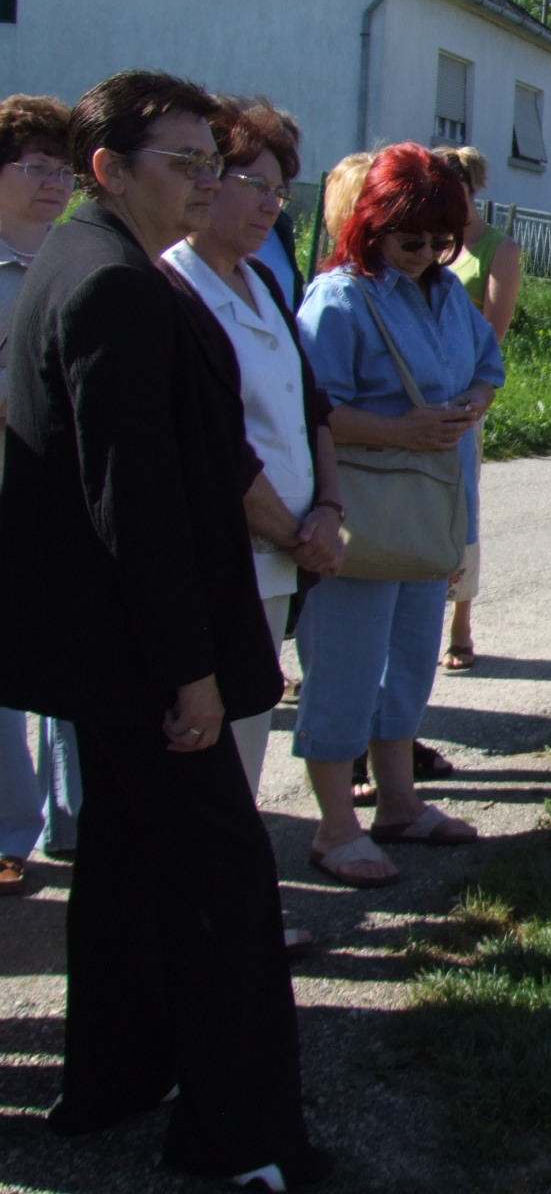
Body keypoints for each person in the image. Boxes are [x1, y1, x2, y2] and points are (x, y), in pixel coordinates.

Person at [0, 70, 328, 1187]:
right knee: (224, 885)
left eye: (211, 161)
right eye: (184, 162)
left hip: (115, 649)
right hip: (142, 655)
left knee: (128, 867)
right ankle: (243, 1142)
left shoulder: (90, 260)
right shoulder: (111, 286)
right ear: (109, 168)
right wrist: (189, 673)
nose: (204, 180)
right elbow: (132, 507)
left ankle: (114, 1079)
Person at [293, 144, 504, 888]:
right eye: (410, 241)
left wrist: (472, 403)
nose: (426, 256)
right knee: (344, 666)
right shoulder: (339, 299)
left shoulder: (444, 293)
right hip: (360, 511)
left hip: (430, 508)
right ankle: (334, 827)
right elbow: (310, 409)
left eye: (442, 242)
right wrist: (399, 430)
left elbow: (488, 366)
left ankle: (399, 803)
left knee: (411, 659)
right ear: (370, 225)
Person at [163, 99, 345, 800]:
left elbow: (310, 405)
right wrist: (298, 532)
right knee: (208, 761)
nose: (272, 205)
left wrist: (329, 507)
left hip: (280, 558)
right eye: (256, 185)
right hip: (223, 557)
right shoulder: (171, 286)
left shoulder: (263, 279)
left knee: (246, 746)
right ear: (205, 179)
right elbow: (212, 445)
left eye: (280, 190)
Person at [0, 95, 76, 891]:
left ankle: (74, 818)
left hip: (64, 492)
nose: (54, 181)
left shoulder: (74, 258)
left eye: (64, 170)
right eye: (35, 167)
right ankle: (7, 836)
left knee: (68, 653)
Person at [440, 146, 523, 672]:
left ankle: (461, 623)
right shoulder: (428, 242)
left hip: (464, 393)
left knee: (461, 504)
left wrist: (467, 390)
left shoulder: (498, 248)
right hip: (414, 392)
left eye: (458, 192)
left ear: (472, 191)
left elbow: (493, 334)